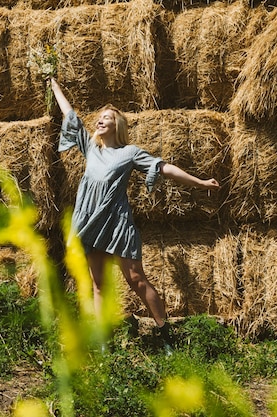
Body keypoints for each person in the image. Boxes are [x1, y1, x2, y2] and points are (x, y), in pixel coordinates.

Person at [49, 77, 220, 348]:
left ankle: (166, 336)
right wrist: (55, 86)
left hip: (116, 224)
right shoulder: (91, 149)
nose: (100, 121)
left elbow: (163, 167)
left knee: (137, 280)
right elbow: (70, 115)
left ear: (117, 125)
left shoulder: (130, 153)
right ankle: (102, 342)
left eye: (106, 118)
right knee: (99, 286)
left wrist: (199, 182)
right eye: (99, 118)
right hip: (91, 224)